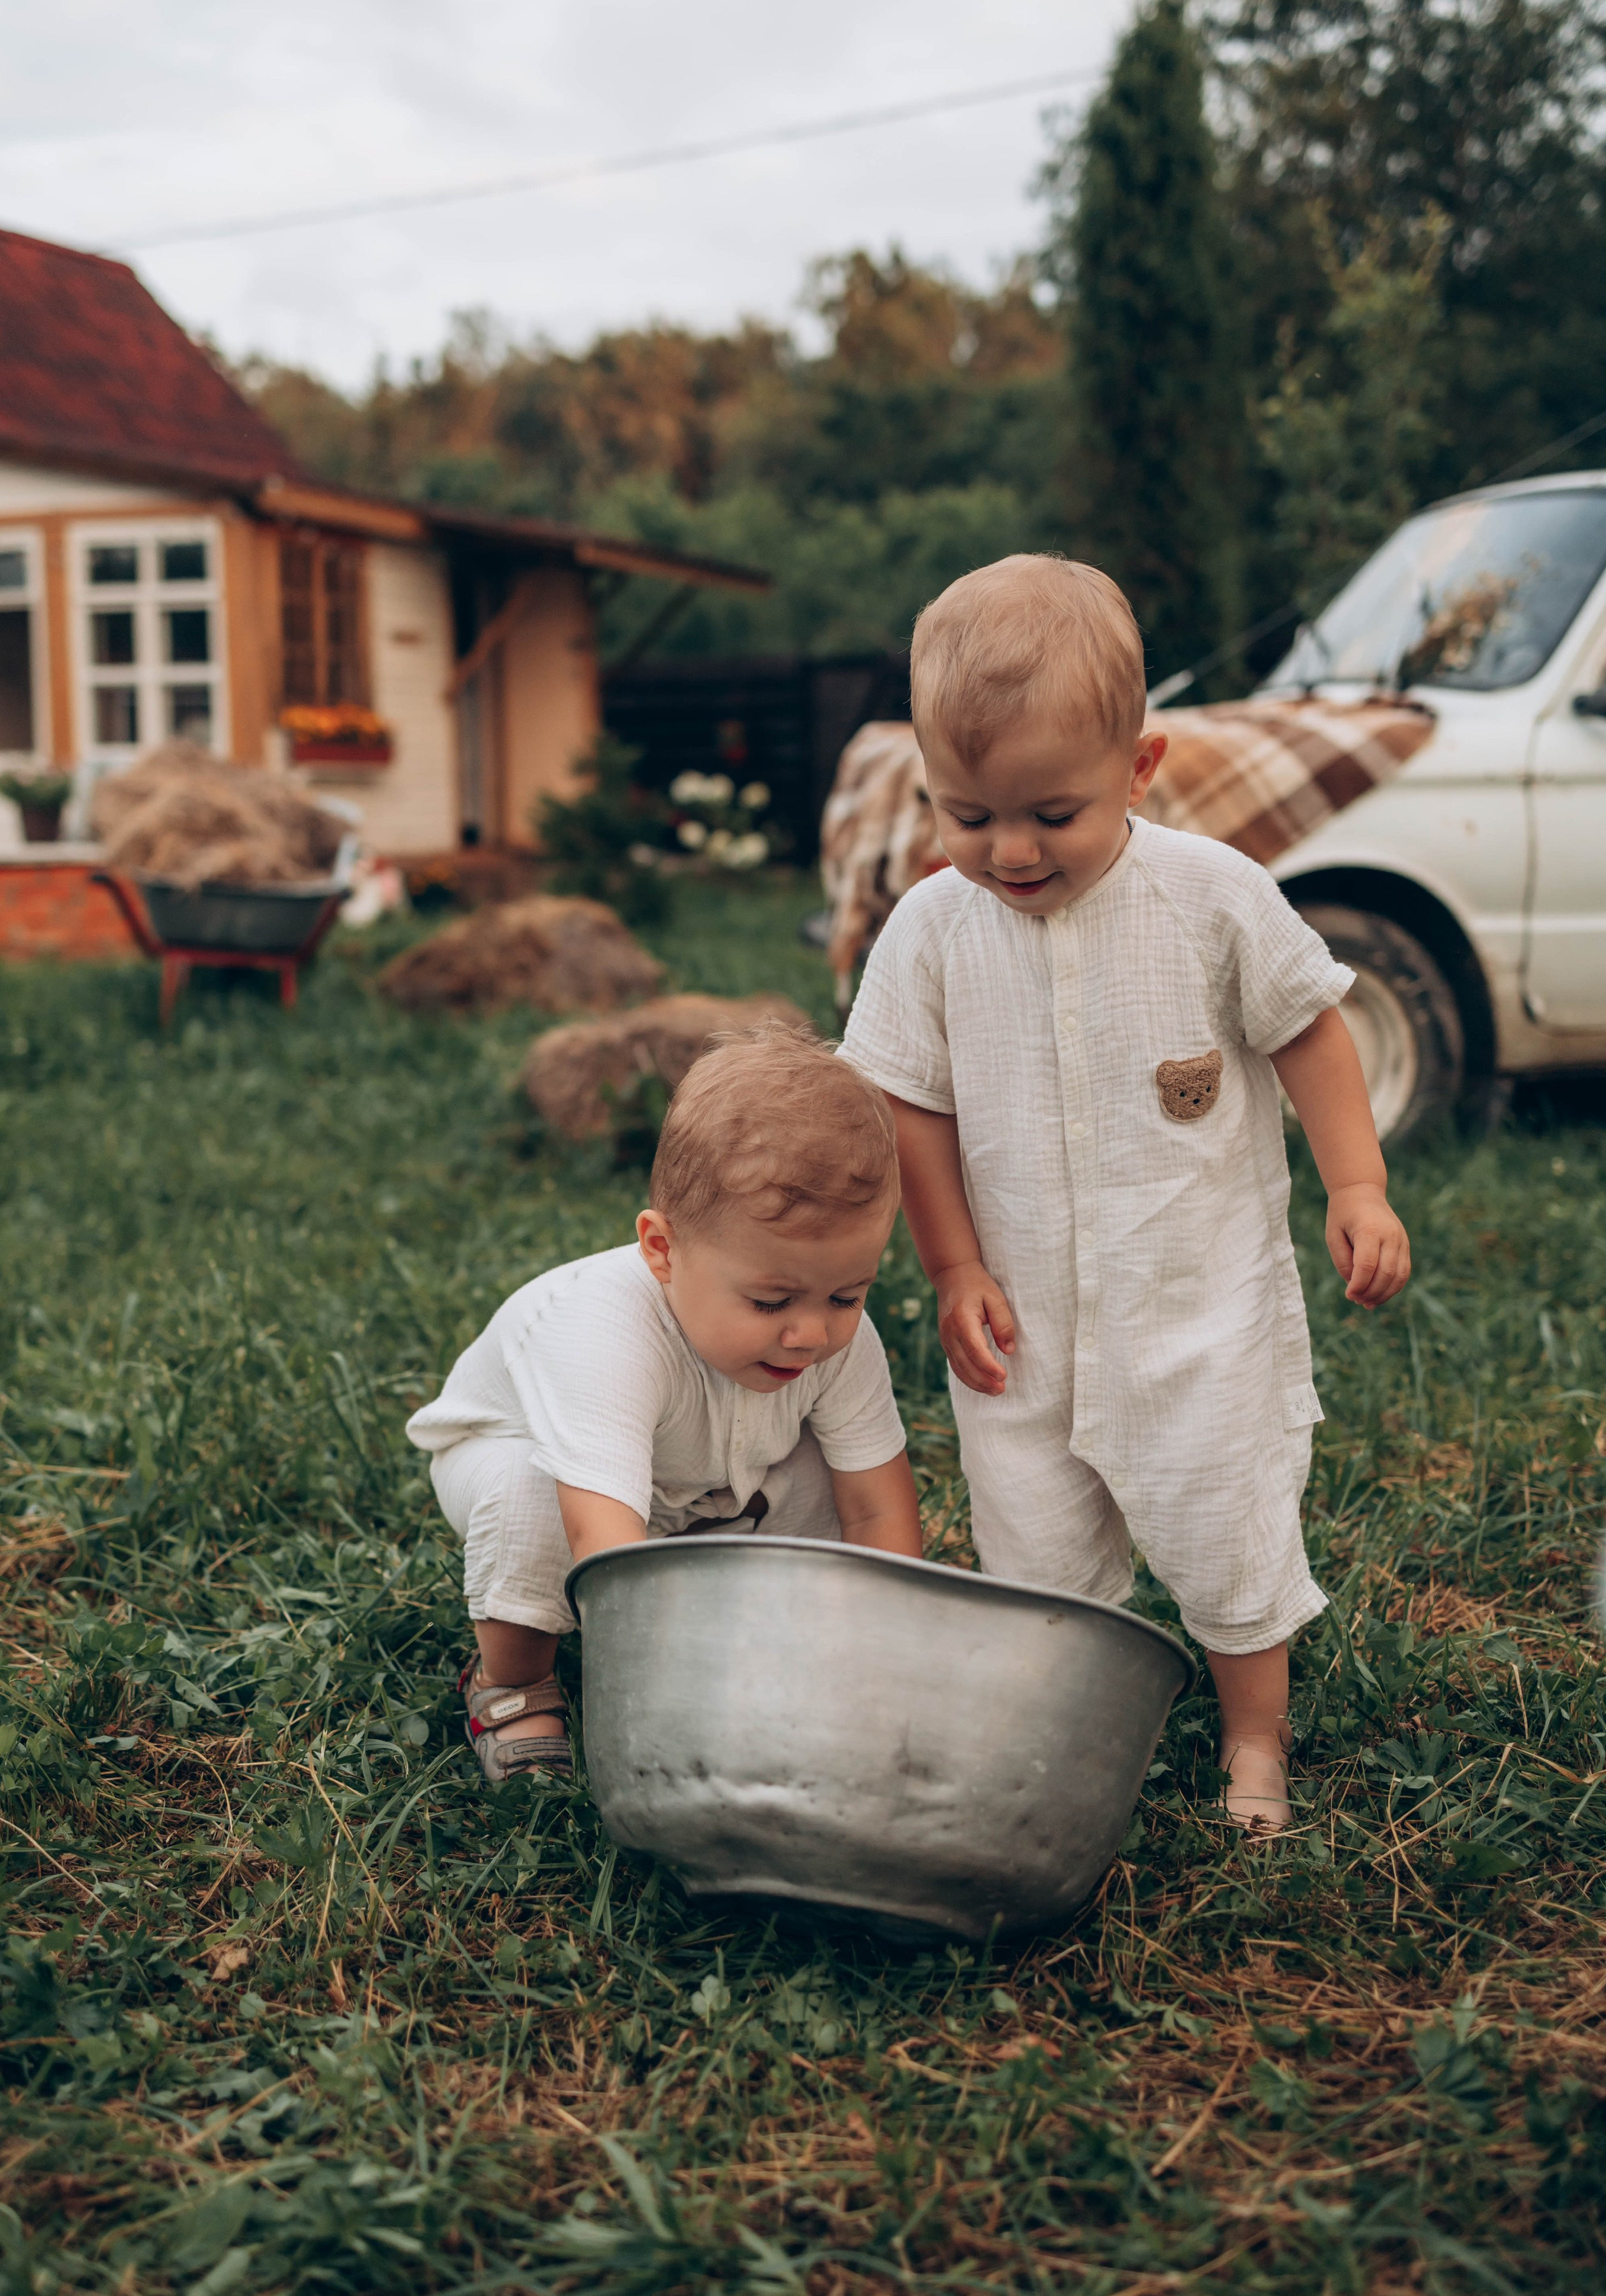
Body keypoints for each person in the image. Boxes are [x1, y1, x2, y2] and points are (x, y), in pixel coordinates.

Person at [839, 555, 1411, 1832]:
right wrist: (950, 1268)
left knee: (1223, 1528)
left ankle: (1251, 1744)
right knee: (1034, 1553)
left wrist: (1354, 1185)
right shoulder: (931, 930)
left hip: (1195, 1310)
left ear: (1139, 769)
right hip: (1020, 1325)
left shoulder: (1211, 898)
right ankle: (1059, 1729)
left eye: (1051, 811)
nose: (1009, 849)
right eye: (966, 814)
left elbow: (1309, 1030)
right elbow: (909, 1102)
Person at [407, 1026, 922, 1784]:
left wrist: (892, 1659)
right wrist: (674, 1698)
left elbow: (877, 1509)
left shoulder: (836, 1341)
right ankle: (510, 1683)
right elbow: (604, 1539)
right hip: (545, 1468)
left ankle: (810, 1651)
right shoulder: (602, 1330)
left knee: (822, 1475)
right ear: (662, 1251)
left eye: (847, 1294)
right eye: (772, 1298)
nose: (812, 1331)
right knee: (531, 1503)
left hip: (703, 1482)